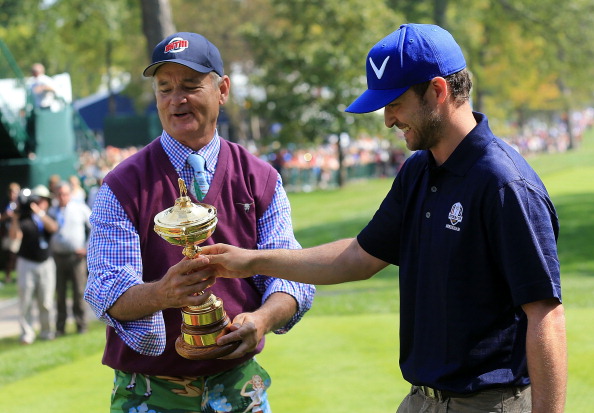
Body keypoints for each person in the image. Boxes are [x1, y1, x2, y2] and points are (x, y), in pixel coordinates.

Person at [200, 24, 567, 413]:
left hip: (488, 404)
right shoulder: (419, 171)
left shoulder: (503, 184)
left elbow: (545, 314)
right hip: (421, 400)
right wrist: (251, 260)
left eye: (394, 103)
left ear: (438, 91)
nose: (388, 120)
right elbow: (359, 257)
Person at [84, 32, 315, 412]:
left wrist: (260, 320)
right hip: (148, 391)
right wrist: (163, 293)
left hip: (239, 386)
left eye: (191, 85)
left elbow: (289, 273)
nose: (177, 99)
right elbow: (106, 289)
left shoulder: (261, 178)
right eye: (165, 88)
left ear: (222, 89)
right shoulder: (122, 185)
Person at [9, 185, 58, 344]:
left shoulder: (46, 214)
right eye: (37, 200)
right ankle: (27, 333)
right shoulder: (23, 217)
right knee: (26, 301)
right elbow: (15, 236)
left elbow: (53, 228)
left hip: (46, 262)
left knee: (46, 301)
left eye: (42, 200)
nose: (39, 202)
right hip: (27, 262)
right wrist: (16, 217)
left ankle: (47, 331)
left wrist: (39, 213)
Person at [49, 181, 91, 335]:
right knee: (60, 293)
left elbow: (93, 226)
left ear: (70, 195)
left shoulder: (79, 208)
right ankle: (60, 326)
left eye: (65, 194)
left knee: (78, 291)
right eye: (59, 194)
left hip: (76, 257)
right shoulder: (52, 211)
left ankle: (81, 325)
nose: (62, 197)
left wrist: (87, 247)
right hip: (58, 257)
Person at [0, 182, 21, 284]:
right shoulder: (5, 202)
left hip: (17, 231)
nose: (13, 194)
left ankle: (16, 276)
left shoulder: (20, 202)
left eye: (15, 192)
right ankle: (8, 275)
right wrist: (6, 215)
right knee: (7, 254)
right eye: (11, 192)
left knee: (14, 253)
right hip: (6, 231)